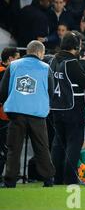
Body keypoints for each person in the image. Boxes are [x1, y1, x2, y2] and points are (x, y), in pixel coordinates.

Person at [0, 41, 55, 188]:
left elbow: (3, 90)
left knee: (13, 148)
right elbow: (51, 91)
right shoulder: (46, 68)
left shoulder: (13, 65)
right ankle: (48, 179)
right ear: (40, 53)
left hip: (16, 112)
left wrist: (8, 102)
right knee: (42, 147)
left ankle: (10, 181)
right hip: (37, 113)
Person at [49, 32, 85, 185]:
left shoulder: (53, 60)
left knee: (58, 144)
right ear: (75, 46)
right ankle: (69, 179)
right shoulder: (71, 62)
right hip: (73, 109)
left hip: (56, 108)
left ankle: (55, 178)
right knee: (74, 144)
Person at [0, 48, 20, 181]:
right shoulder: (4, 73)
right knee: (5, 148)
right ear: (10, 59)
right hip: (3, 115)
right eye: (18, 58)